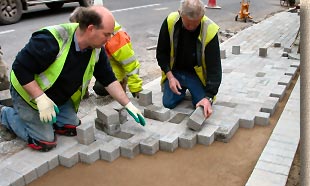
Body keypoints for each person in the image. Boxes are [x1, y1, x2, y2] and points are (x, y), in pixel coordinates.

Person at [0, 5, 145, 152]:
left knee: (72, 128)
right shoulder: (51, 40)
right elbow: (20, 68)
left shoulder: (96, 49)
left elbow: (108, 79)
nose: (109, 39)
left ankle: (48, 118)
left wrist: (128, 105)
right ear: (91, 29)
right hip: (28, 95)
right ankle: (5, 114)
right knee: (45, 142)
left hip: (58, 98)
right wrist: (40, 98)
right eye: (106, 34)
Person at [156, 0, 222, 118]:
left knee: (200, 104)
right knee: (168, 103)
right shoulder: (170, 21)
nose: (191, 27)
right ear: (180, 13)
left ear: (202, 17)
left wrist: (208, 97)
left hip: (196, 76)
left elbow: (215, 69)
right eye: (187, 24)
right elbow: (161, 53)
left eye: (195, 24)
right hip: (175, 72)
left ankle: (191, 88)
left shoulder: (210, 30)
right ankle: (180, 88)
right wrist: (170, 77)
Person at [69, 7, 143, 98]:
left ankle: (121, 84)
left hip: (115, 68)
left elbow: (131, 65)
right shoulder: (86, 36)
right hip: (104, 65)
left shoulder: (116, 38)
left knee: (100, 88)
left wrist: (136, 88)